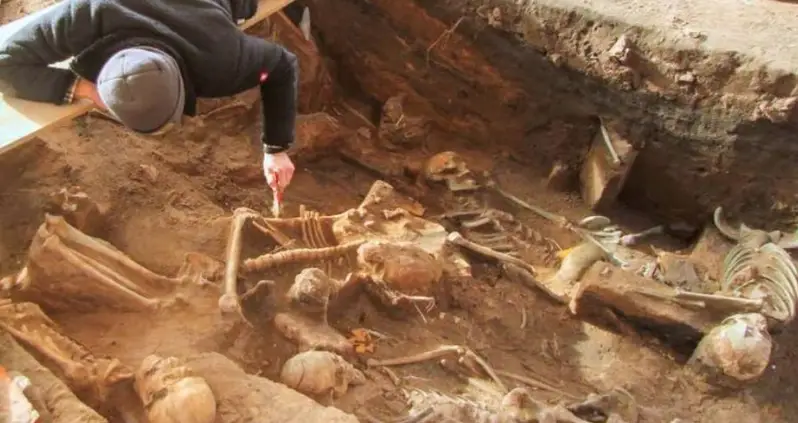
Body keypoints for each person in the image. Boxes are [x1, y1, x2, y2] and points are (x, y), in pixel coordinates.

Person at [0, 0, 297, 193]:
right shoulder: (93, 10)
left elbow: (280, 66)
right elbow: (6, 60)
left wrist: (275, 148)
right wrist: (82, 88)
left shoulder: (221, 58)